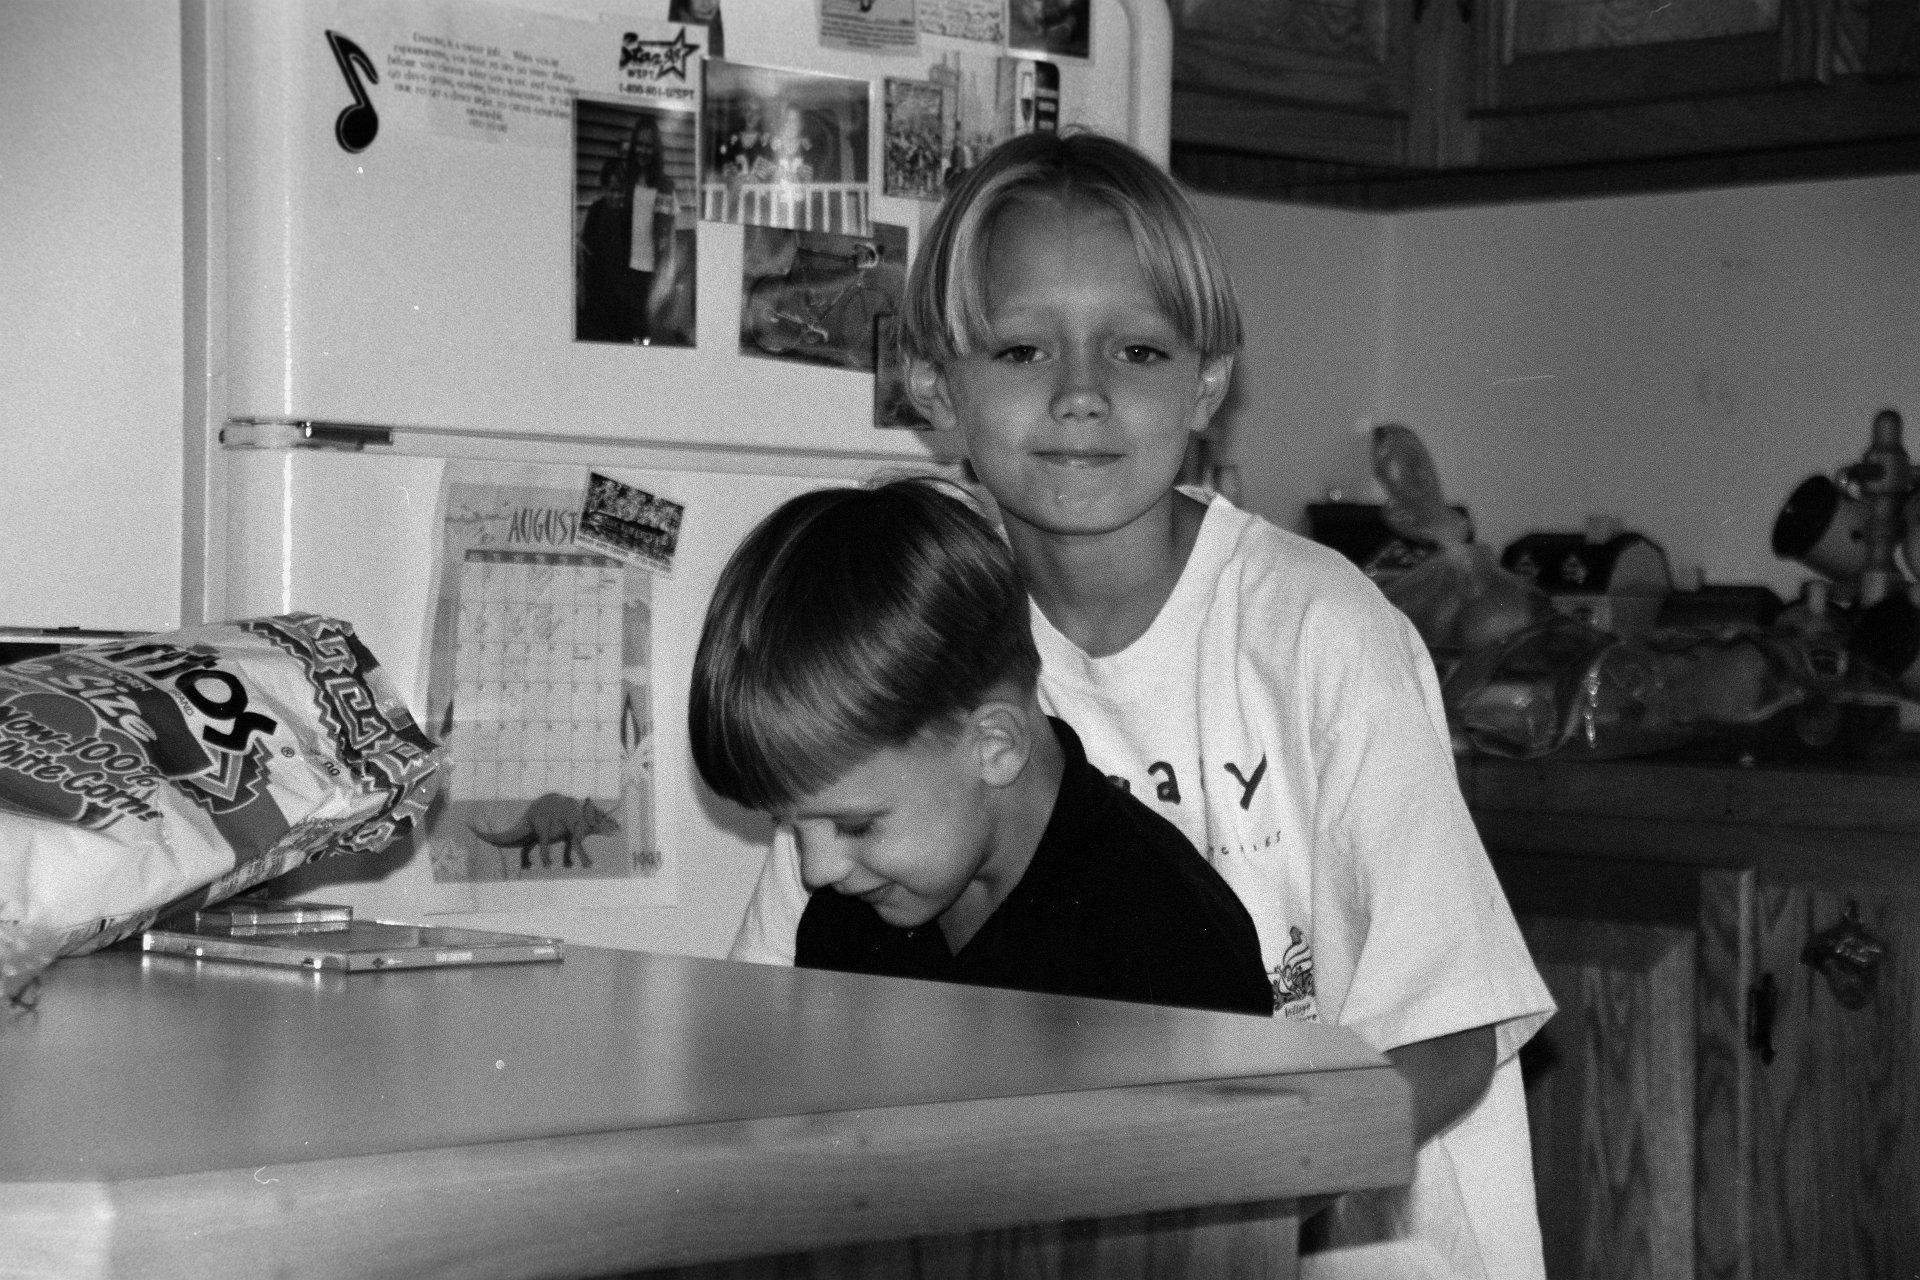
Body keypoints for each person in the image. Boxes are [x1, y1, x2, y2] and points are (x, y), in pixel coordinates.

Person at [729, 130, 1556, 1279]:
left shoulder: (1321, 632)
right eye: (1022, 348)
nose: (1080, 394)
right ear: (934, 385)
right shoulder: (918, 636)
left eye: (1137, 349)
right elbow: (777, 1019)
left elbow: (1451, 1030)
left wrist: (1213, 1208)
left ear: (1207, 384)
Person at [690, 478, 1274, 1017]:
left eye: (857, 826)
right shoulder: (851, 920)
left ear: (995, 747)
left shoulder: (1162, 940)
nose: (817, 871)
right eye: (790, 826)